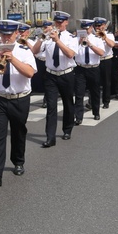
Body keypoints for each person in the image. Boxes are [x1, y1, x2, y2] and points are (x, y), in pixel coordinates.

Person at [0, 19, 36, 185]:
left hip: (19, 98)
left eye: (9, 34)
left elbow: (30, 73)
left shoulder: (24, 50)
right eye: (3, 34)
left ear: (16, 33)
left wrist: (13, 59)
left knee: (18, 132)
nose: (6, 38)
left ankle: (18, 161)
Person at [33, 12, 78, 148]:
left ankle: (67, 129)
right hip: (50, 75)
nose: (57, 25)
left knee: (68, 103)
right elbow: (35, 51)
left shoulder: (71, 38)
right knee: (51, 107)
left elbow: (70, 54)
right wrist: (42, 37)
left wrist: (58, 40)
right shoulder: (47, 37)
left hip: (66, 74)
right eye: (56, 22)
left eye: (60, 22)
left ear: (66, 22)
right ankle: (50, 137)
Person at [73, 19, 104, 124]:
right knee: (79, 93)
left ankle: (96, 112)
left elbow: (101, 53)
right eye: (83, 28)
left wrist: (90, 44)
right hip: (80, 68)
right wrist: (78, 42)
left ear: (91, 28)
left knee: (94, 92)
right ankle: (78, 116)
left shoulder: (97, 39)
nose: (85, 30)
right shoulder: (75, 39)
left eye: (87, 28)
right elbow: (71, 53)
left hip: (93, 68)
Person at [93, 18, 115, 109]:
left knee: (106, 82)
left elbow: (112, 45)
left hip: (106, 60)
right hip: (96, 60)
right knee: (94, 82)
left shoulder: (109, 35)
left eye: (99, 25)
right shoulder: (93, 36)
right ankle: (93, 102)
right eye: (96, 26)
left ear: (104, 25)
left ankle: (106, 101)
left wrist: (104, 37)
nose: (98, 27)